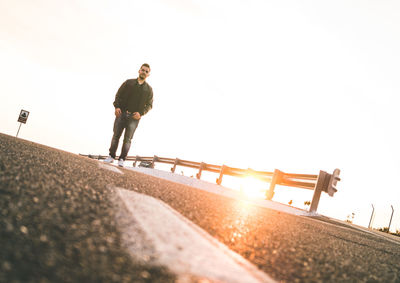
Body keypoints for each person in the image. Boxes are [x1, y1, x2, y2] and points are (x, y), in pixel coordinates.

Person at [104, 63, 153, 167]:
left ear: (148, 74)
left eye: (146, 71)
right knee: (116, 136)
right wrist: (116, 107)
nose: (144, 72)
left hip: (134, 118)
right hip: (121, 113)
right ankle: (111, 156)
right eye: (142, 70)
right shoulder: (128, 83)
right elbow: (118, 95)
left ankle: (122, 159)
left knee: (128, 139)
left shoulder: (148, 89)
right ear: (139, 71)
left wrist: (141, 113)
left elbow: (149, 105)